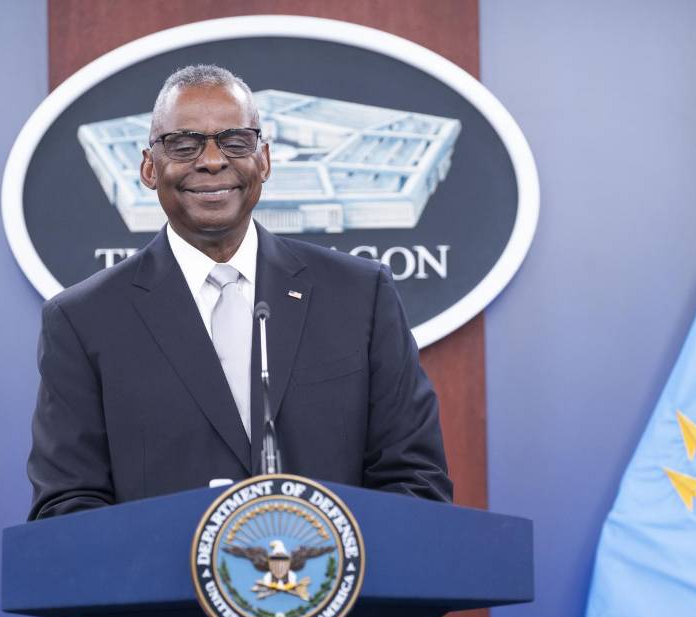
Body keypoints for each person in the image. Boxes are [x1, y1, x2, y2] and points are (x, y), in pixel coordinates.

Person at [27, 65, 451, 518]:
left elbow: (415, 482)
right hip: (162, 568)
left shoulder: (361, 296)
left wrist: (327, 555)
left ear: (264, 160)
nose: (212, 160)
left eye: (235, 141)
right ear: (149, 167)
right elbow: (67, 506)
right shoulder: (84, 320)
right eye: (184, 144)